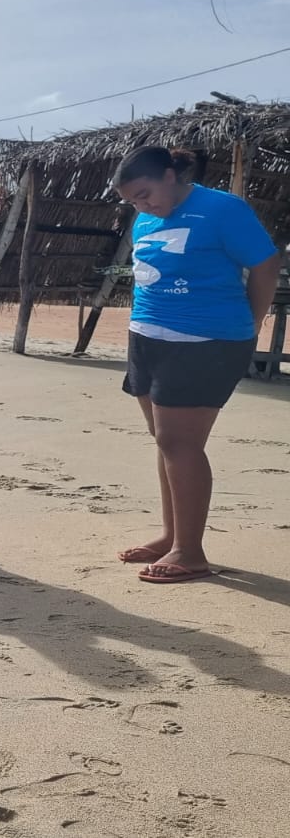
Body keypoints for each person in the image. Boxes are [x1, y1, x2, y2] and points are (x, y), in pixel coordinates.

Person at [111, 147, 280, 584]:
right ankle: (173, 536)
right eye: (132, 201)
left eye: (145, 194)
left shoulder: (221, 208)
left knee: (180, 442)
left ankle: (190, 552)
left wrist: (252, 322)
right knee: (165, 441)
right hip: (147, 336)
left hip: (205, 340)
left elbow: (265, 264)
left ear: (170, 176)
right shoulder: (146, 219)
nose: (142, 206)